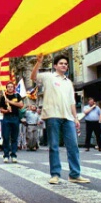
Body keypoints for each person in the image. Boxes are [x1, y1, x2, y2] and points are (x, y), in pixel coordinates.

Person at [32, 54, 89, 184]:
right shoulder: (48, 77)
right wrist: (38, 62)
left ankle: (75, 174)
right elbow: (33, 77)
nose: (64, 65)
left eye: (65, 64)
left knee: (73, 146)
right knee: (54, 146)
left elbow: (72, 102)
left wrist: (76, 118)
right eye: (61, 63)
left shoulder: (68, 82)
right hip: (53, 115)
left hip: (68, 117)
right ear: (55, 66)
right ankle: (55, 174)